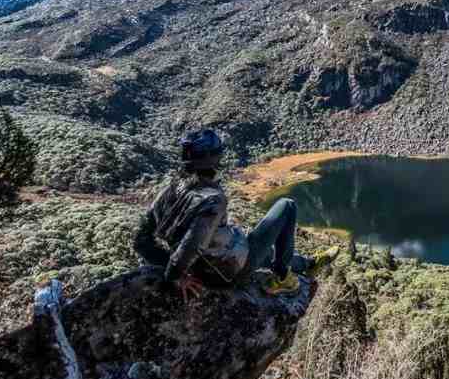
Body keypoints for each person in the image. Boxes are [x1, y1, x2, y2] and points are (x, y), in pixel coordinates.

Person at [134, 128, 337, 301]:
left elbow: (141, 241)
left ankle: (308, 265)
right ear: (212, 159)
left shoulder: (169, 190)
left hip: (215, 261)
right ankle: (283, 278)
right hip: (230, 272)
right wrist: (175, 276)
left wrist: (174, 267)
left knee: (265, 250)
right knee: (287, 205)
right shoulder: (212, 199)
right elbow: (192, 244)